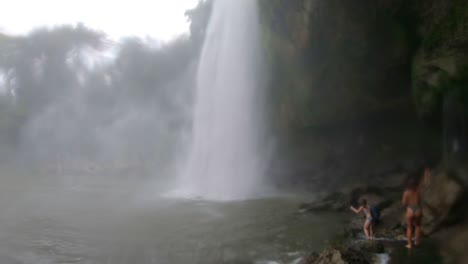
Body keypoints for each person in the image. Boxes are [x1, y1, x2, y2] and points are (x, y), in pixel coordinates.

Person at [402, 167, 430, 249]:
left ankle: (410, 244)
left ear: (409, 185)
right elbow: (426, 184)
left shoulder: (406, 192)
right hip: (418, 209)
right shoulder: (419, 191)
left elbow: (404, 203)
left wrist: (407, 208)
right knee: (418, 226)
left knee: (409, 227)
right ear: (416, 184)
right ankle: (417, 242)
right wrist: (427, 174)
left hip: (410, 209)